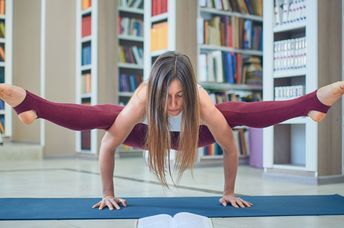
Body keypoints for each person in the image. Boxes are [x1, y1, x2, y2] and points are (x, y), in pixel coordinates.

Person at [0, 51, 342, 210]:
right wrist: (107, 192)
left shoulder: (203, 103)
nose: (175, 105)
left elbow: (230, 147)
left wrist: (228, 191)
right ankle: (34, 107)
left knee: (234, 112)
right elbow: (108, 146)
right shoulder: (142, 98)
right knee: (107, 114)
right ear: (155, 91)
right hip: (148, 136)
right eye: (167, 97)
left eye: (181, 97)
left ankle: (312, 104)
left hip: (198, 135)